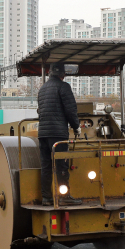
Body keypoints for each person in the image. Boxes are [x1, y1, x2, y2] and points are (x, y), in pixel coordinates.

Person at [37, 63, 82, 206]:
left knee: (46, 167)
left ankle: (47, 198)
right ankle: (64, 196)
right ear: (63, 75)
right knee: (61, 166)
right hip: (57, 134)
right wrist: (76, 127)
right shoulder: (64, 87)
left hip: (43, 134)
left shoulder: (42, 89)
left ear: (50, 74)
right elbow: (70, 110)